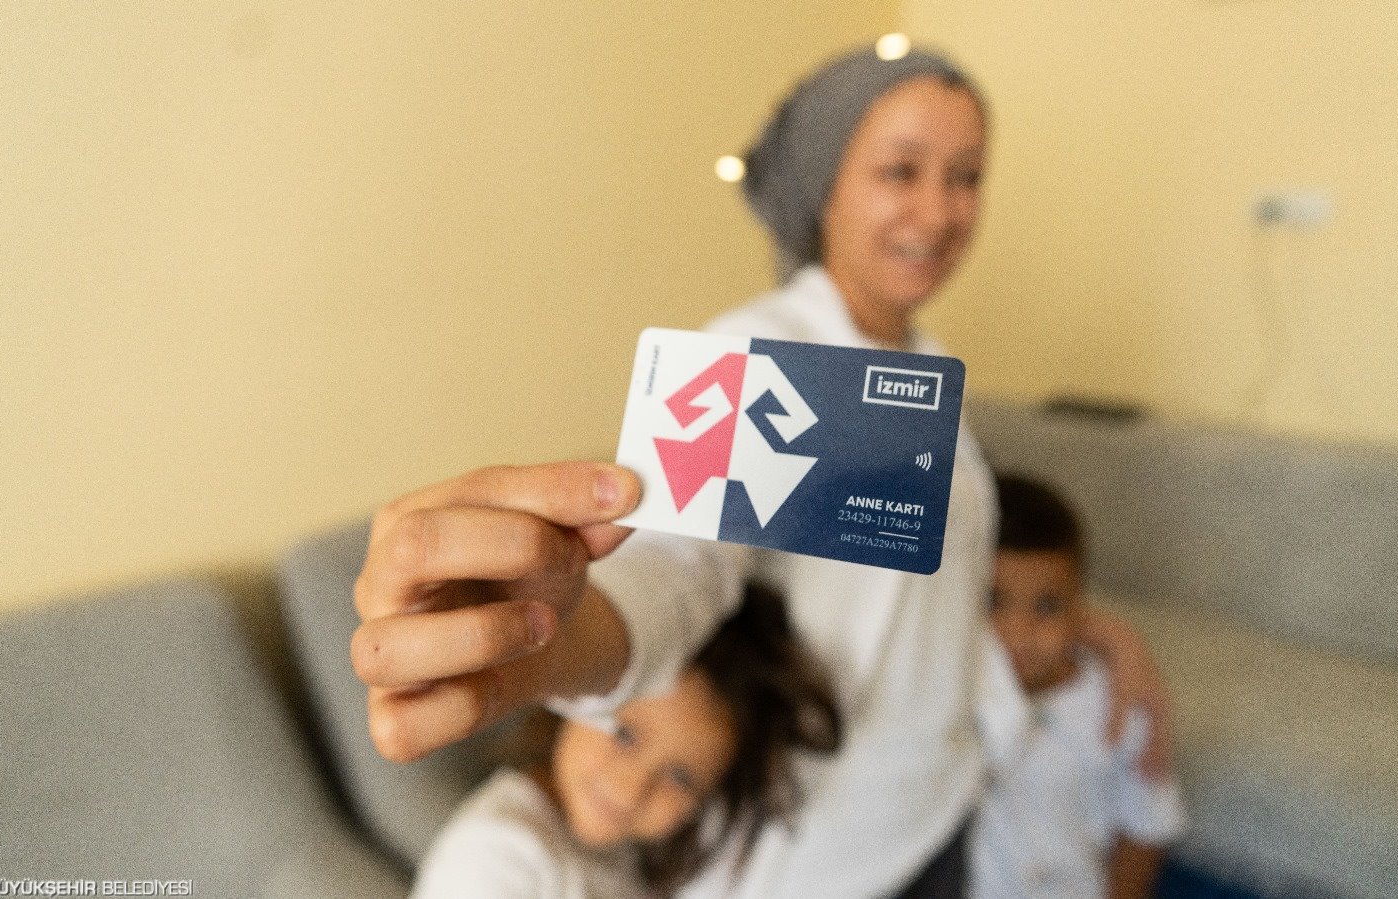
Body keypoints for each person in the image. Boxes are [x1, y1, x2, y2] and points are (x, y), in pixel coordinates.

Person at [352, 40, 1171, 897]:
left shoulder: (926, 368)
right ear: (825, 184)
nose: (938, 211)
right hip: (827, 862)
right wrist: (557, 636)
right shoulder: (758, 353)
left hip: (942, 812)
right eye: (900, 171)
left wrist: (1102, 636)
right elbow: (676, 565)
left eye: (965, 177)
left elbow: (935, 591)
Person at [409, 584, 841, 899]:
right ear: (579, 695)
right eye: (626, 735)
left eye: (681, 778)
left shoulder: (623, 864)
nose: (632, 789)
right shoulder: (498, 855)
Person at [973, 474, 1186, 898]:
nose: (1018, 634)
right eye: (994, 602)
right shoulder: (951, 687)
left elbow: (1145, 828)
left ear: (1080, 609)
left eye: (1047, 606)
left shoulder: (1117, 705)